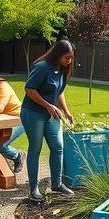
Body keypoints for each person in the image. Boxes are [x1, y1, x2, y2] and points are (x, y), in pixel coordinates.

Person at [20, 39, 75, 203]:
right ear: (58, 55)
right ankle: (33, 188)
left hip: (51, 114)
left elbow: (58, 92)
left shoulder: (62, 69)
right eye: (67, 57)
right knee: (35, 148)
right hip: (33, 112)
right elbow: (29, 89)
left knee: (58, 147)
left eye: (71, 57)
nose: (69, 61)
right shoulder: (42, 67)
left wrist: (66, 111)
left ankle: (57, 184)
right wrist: (48, 106)